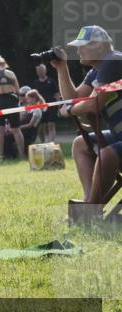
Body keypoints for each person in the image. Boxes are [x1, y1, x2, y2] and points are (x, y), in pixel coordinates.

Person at [51, 26, 122, 207]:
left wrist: (71, 110)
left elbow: (93, 103)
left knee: (107, 154)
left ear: (99, 46)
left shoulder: (113, 62)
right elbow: (73, 99)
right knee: (80, 144)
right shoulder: (96, 71)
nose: (78, 50)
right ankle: (89, 203)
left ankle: (91, 210)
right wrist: (62, 68)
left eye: (82, 46)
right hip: (119, 135)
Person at [0, 55, 25, 161]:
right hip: (11, 100)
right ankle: (22, 155)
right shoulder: (11, 74)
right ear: (4, 64)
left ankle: (1, 157)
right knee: (16, 129)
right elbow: (18, 91)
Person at [33, 63, 61, 144]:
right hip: (40, 107)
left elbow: (56, 93)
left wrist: (58, 103)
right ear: (36, 72)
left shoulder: (51, 81)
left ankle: (51, 143)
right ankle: (43, 143)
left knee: (51, 124)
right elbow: (33, 96)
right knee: (41, 127)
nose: (40, 72)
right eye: (38, 70)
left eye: (42, 70)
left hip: (52, 105)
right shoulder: (35, 83)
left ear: (45, 71)